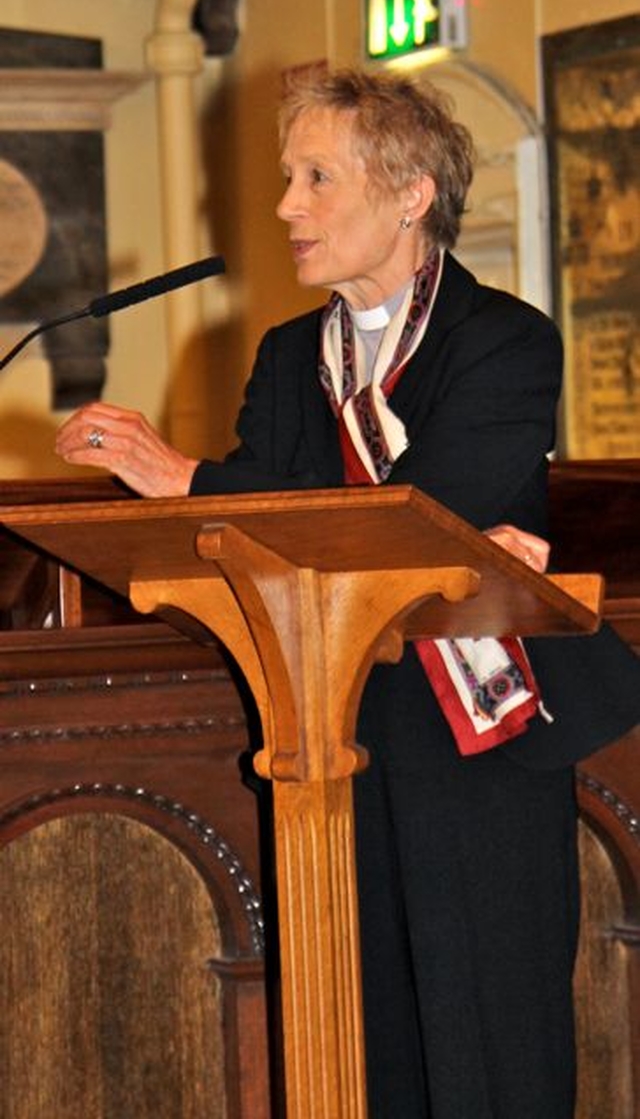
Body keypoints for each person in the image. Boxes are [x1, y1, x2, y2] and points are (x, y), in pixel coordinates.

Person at [56, 67, 640, 1118]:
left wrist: (193, 479)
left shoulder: (502, 340)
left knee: (488, 1049)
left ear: (410, 191)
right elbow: (258, 534)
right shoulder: (290, 359)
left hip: (474, 744)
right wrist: (198, 502)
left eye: (315, 177)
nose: (286, 206)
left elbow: (422, 513)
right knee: (367, 1050)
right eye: (288, 177)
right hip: (330, 737)